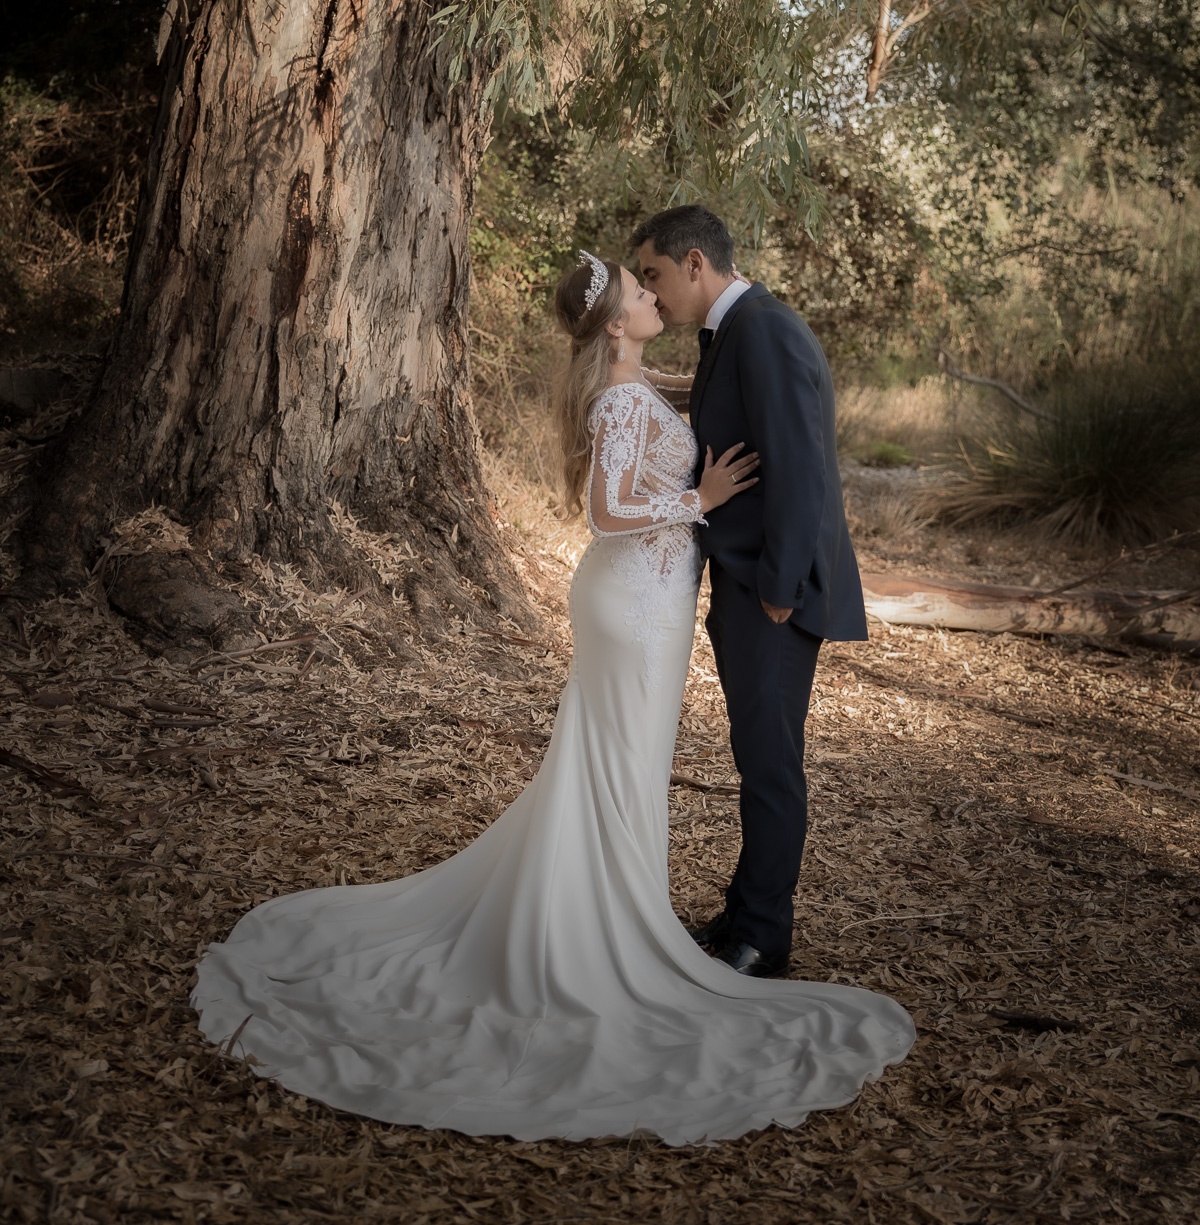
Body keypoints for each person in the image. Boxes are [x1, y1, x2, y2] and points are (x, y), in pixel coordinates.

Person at [191, 252, 912, 1142]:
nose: (654, 297)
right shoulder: (615, 398)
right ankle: (598, 923)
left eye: (657, 284)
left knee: (623, 757)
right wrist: (702, 496)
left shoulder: (635, 378)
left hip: (650, 597)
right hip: (633, 599)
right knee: (615, 754)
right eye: (641, 293)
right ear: (615, 325)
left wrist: (721, 363)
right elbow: (608, 511)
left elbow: (684, 391)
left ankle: (621, 898)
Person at [635, 205, 867, 980]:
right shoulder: (733, 331)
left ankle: (764, 933)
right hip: (747, 581)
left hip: (774, 589)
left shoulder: (763, 328)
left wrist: (780, 585)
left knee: (771, 762)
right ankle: (743, 908)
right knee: (754, 752)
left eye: (655, 275)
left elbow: (803, 465)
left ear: (695, 263)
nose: (652, 291)